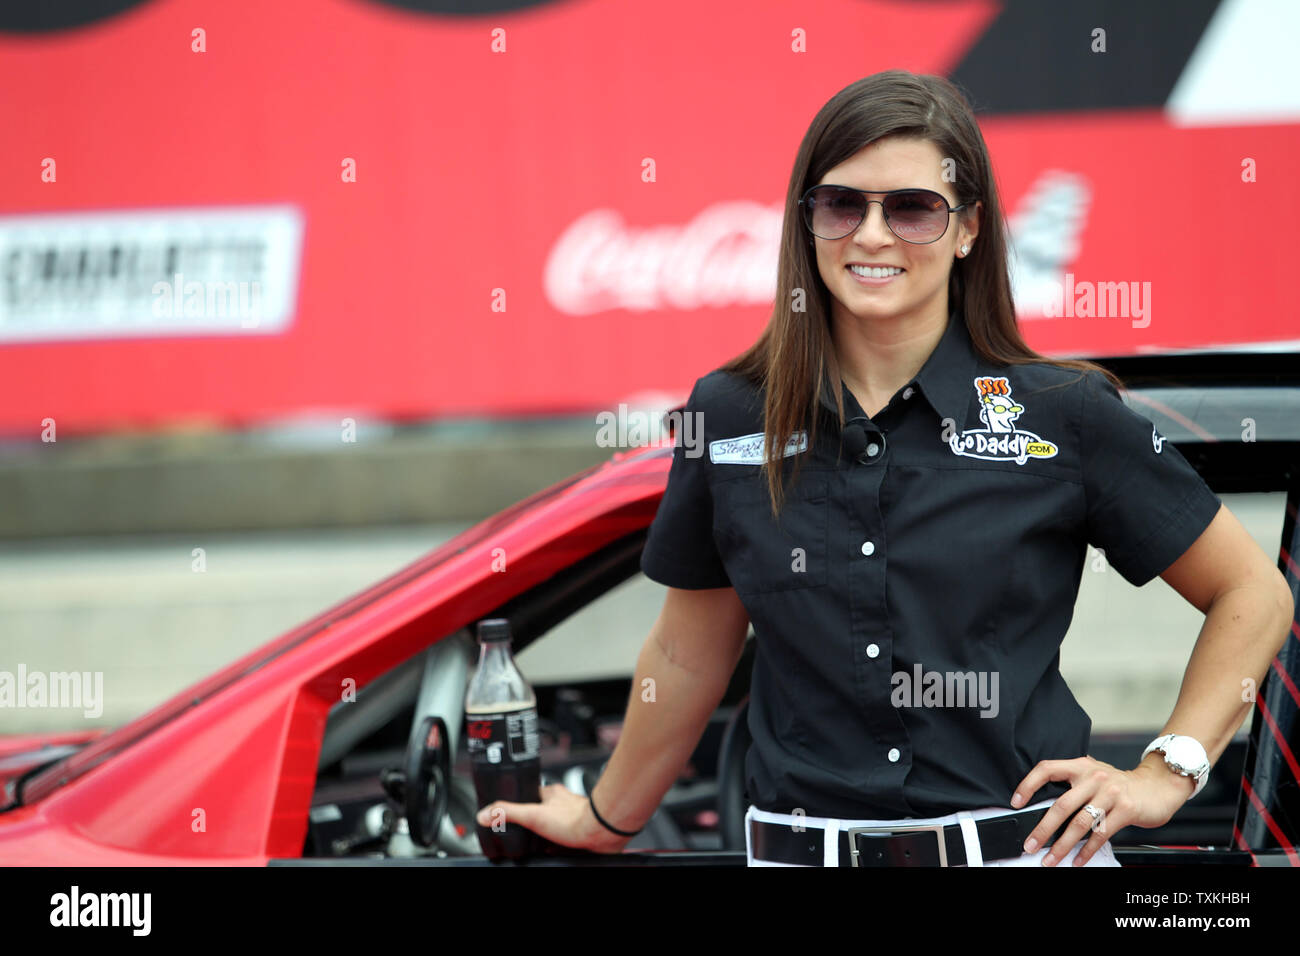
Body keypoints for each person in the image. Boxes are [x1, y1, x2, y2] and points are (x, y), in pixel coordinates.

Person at [475, 70, 1294, 866]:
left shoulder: (1063, 414)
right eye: (841, 204)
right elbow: (690, 654)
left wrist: (1167, 771)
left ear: (968, 226)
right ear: (806, 221)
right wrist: (605, 819)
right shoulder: (727, 415)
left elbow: (1252, 592)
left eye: (912, 209)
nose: (871, 235)